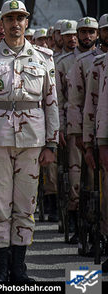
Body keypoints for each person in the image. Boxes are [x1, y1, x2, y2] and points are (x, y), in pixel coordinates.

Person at [0, 0, 59, 282]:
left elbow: (52, 102)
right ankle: (2, 268)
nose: (15, 23)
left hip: (32, 141)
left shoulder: (44, 57)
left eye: (20, 18)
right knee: (1, 205)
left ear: (26, 23)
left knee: (26, 205)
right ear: (1, 25)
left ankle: (20, 267)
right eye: (10, 19)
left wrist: (51, 143)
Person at [55, 18, 97, 243]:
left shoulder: (98, 60)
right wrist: (63, 127)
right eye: (81, 32)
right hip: (75, 126)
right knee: (75, 177)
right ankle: (75, 220)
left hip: (97, 126)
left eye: (91, 32)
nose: (83, 37)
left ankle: (94, 223)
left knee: (94, 178)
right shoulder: (62, 63)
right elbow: (62, 98)